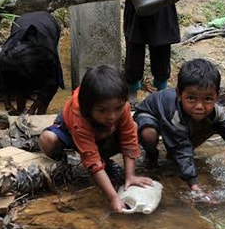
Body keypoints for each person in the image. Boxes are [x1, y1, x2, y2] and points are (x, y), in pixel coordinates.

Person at [133, 58, 225, 194]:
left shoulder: (219, 112)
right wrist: (195, 187)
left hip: (182, 123)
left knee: (204, 129)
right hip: (150, 115)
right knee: (149, 134)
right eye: (191, 98)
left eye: (207, 99)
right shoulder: (175, 115)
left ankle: (173, 154)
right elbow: (182, 148)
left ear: (217, 97)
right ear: (179, 95)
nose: (199, 106)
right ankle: (151, 156)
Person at [39, 64, 153, 212]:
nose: (111, 116)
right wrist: (113, 196)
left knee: (134, 128)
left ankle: (105, 160)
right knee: (48, 140)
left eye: (117, 108)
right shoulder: (79, 116)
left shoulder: (122, 108)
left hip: (103, 135)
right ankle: (62, 163)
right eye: (102, 110)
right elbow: (91, 160)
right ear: (88, 107)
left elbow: (129, 140)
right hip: (71, 134)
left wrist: (130, 176)